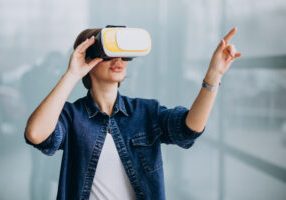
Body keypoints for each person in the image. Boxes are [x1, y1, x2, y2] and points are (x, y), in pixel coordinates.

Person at [24, 27, 241, 200]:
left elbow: (188, 129)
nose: (119, 60)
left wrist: (214, 75)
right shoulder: (72, 117)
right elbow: (35, 134)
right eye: (109, 54)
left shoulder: (146, 112)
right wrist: (72, 74)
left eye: (123, 55)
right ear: (88, 61)